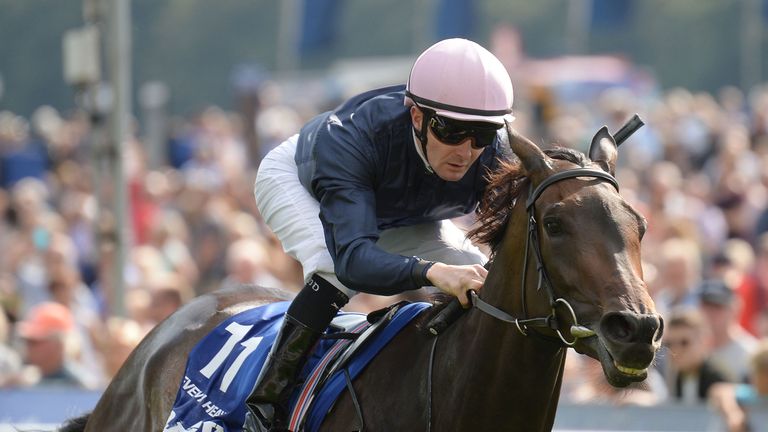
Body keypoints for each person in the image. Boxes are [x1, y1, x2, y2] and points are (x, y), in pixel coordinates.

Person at [248, 38, 514, 430]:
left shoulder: (496, 153)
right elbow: (353, 261)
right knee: (330, 267)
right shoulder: (353, 140)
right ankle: (266, 403)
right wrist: (431, 271)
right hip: (300, 183)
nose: (467, 150)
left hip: (400, 208)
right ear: (417, 116)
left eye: (482, 134)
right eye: (453, 131)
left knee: (476, 270)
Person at [662, 308, 727, 404]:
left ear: (704, 341)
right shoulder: (676, 375)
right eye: (669, 343)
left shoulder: (717, 378)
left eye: (684, 343)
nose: (675, 350)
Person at [710, 340, 768, 432]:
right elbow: (722, 390)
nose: (753, 378)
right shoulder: (755, 395)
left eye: (757, 372)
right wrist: (734, 414)